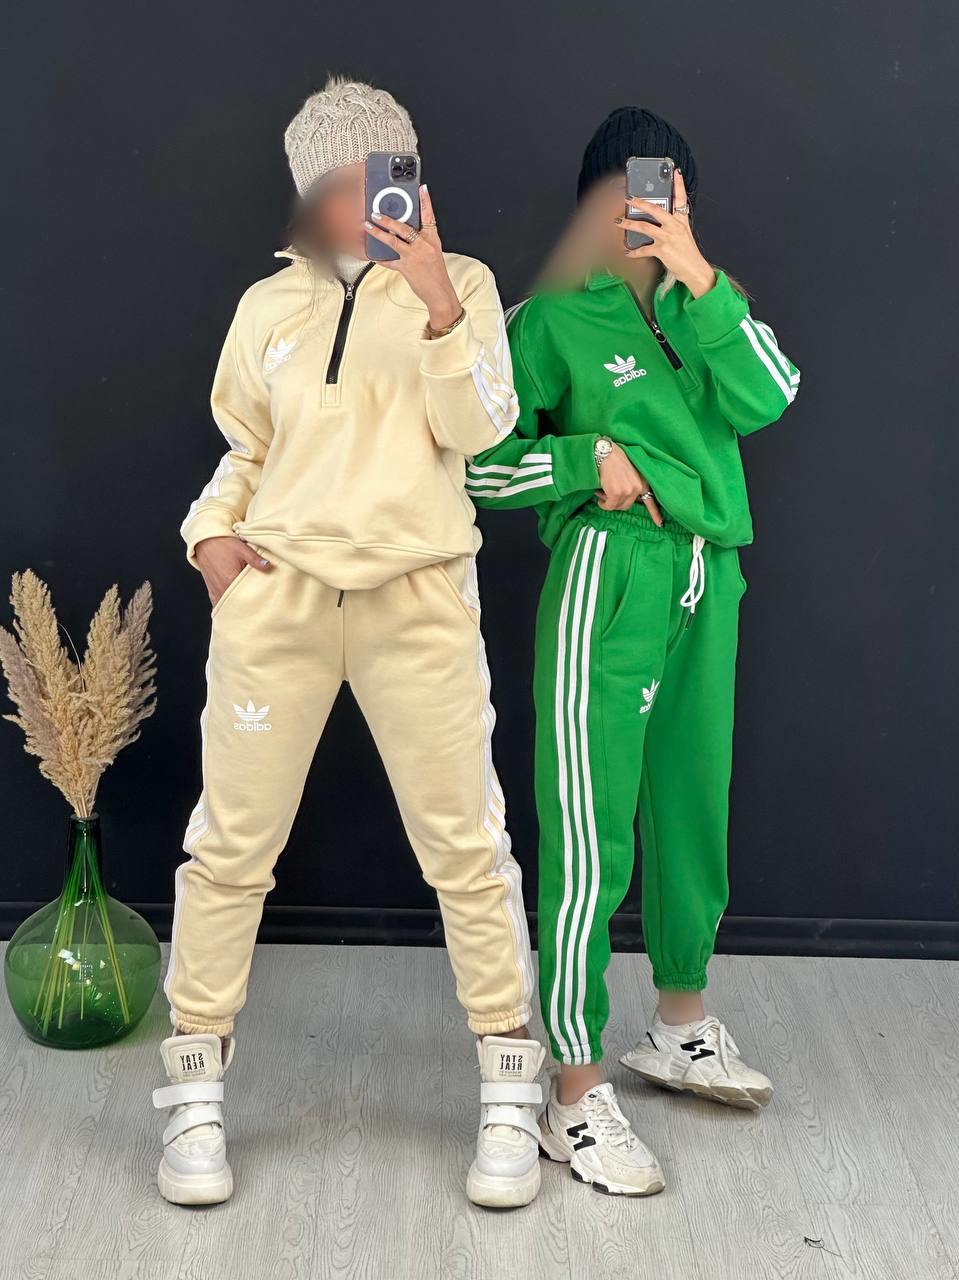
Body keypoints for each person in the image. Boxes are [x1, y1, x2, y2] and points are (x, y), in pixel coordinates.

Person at [153, 77, 545, 1210]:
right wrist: (208, 539)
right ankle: (193, 1089)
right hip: (278, 601)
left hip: (415, 600)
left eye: (379, 174)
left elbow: (480, 429)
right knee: (229, 846)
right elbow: (246, 447)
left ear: (406, 176)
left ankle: (508, 1081)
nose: (357, 198)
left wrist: (434, 298)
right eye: (334, 181)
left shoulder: (464, 283)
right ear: (307, 191)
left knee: (466, 845)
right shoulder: (264, 308)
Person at [468, 106, 799, 1197]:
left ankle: (678, 1020)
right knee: (590, 824)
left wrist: (697, 272)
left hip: (708, 572)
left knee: (692, 805)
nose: (640, 212)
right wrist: (584, 459)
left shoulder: (711, 308)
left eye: (663, 195)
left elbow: (772, 394)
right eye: (620, 194)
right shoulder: (548, 318)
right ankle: (571, 1086)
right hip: (606, 577)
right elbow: (472, 462)